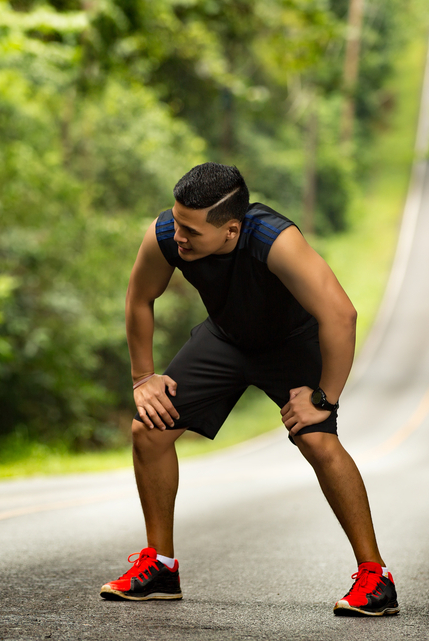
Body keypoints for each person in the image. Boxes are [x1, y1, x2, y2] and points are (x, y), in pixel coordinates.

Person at [98, 162, 398, 616]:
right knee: (149, 428)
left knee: (317, 440)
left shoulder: (275, 242)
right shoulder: (166, 235)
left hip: (291, 344)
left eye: (192, 232)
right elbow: (139, 297)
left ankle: (376, 577)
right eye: (177, 222)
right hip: (225, 339)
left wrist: (323, 399)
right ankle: (160, 565)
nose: (178, 237)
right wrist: (143, 378)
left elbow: (341, 315)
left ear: (232, 230)